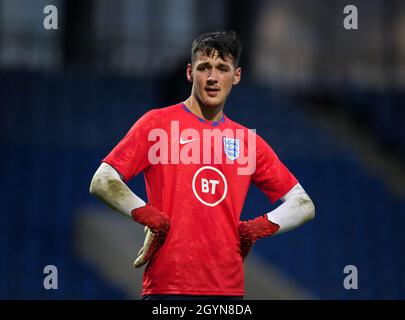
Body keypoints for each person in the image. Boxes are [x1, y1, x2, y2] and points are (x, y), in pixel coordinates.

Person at [89, 31, 315, 300]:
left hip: (228, 292)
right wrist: (148, 216)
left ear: (237, 76)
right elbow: (102, 180)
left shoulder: (247, 141)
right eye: (203, 67)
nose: (212, 77)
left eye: (222, 68)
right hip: (167, 289)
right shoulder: (158, 125)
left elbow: (303, 204)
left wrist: (256, 229)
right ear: (189, 72)